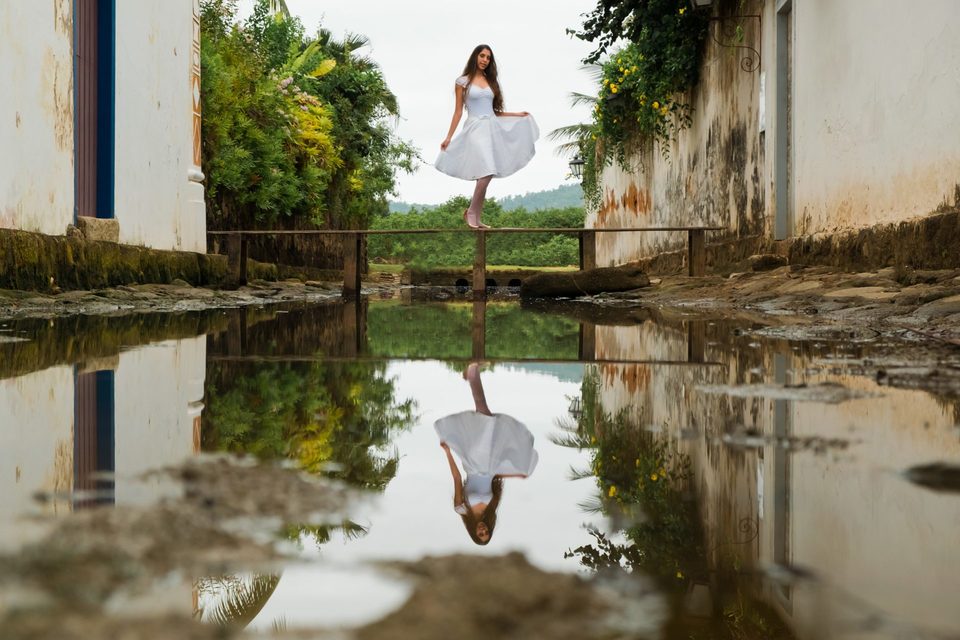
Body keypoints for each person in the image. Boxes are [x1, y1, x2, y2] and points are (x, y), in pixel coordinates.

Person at [435, 44, 539, 229]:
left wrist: (517, 115)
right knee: (486, 171)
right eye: (482, 56)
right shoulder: (462, 82)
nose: (485, 60)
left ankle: (474, 214)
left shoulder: (491, 81)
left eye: (488, 58)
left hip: (491, 128)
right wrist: (448, 137)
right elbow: (458, 112)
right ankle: (472, 213)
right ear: (475, 57)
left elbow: (493, 111)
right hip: (475, 128)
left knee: (485, 173)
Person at [435, 362, 539, 545]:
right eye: (487, 533)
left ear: (474, 533)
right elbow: (494, 479)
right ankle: (472, 374)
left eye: (480, 534)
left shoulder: (461, 509)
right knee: (486, 416)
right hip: (490, 463)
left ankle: (472, 374)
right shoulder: (492, 509)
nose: (483, 530)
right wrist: (516, 473)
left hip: (474, 463)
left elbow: (457, 478)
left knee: (485, 416)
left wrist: (448, 452)